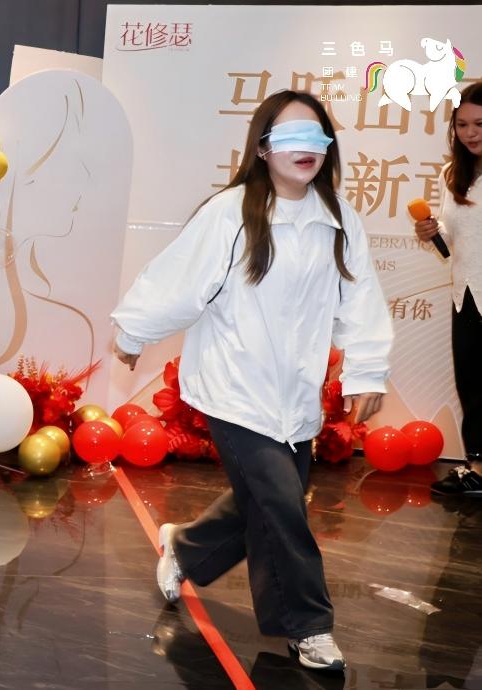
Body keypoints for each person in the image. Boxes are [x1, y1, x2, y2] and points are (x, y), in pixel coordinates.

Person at [111, 90, 393, 672]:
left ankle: (184, 548)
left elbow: (361, 300)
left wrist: (367, 370)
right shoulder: (231, 212)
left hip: (296, 396)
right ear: (263, 148)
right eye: (289, 138)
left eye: (316, 137)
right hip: (234, 390)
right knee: (283, 508)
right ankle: (309, 626)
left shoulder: (340, 219)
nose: (305, 149)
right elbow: (179, 282)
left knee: (261, 501)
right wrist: (133, 332)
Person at [414, 82, 482, 496]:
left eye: (480, 124)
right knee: (472, 384)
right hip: (466, 293)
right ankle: (477, 467)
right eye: (462, 125)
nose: (470, 133)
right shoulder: (452, 174)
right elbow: (452, 236)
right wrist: (431, 231)